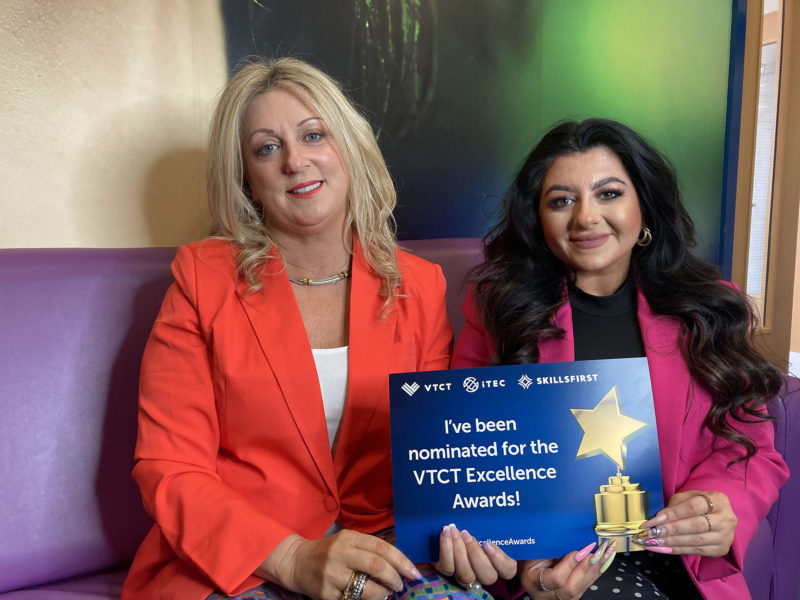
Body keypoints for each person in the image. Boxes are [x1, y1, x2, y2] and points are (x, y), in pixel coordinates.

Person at [121, 57, 515, 600]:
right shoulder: (202, 280)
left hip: (381, 548)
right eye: (266, 148)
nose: (295, 161)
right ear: (247, 180)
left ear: (347, 150)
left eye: (313, 135)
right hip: (240, 562)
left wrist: (467, 532)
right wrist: (292, 557)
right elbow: (170, 467)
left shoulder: (419, 287)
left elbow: (437, 453)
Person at [451, 119, 789, 600]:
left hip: (678, 561)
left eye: (608, 194)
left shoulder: (710, 308)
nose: (586, 217)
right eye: (561, 200)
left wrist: (718, 504)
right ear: (538, 220)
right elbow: (471, 454)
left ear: (643, 206)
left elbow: (751, 446)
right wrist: (532, 567)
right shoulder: (497, 309)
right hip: (559, 564)